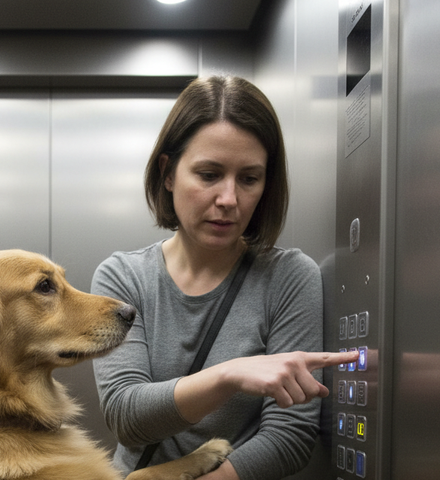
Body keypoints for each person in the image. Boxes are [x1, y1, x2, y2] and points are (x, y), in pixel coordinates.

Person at [91, 75, 358, 480]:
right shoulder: (123, 277)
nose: (229, 199)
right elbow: (128, 416)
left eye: (249, 179)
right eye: (209, 174)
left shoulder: (288, 277)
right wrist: (229, 375)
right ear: (168, 173)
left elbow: (291, 433)